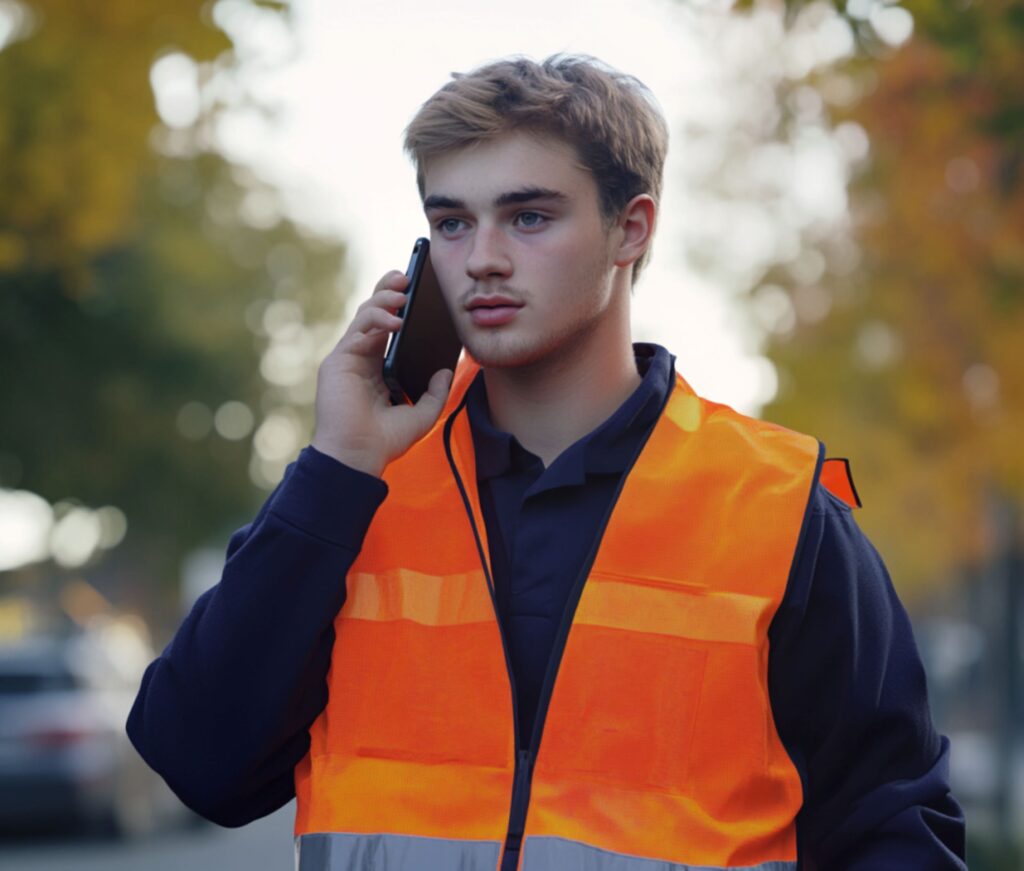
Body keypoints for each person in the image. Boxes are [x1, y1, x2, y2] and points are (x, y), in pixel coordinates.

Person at [128, 54, 966, 870]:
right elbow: (200, 764)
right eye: (451, 222)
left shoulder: (780, 508)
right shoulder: (354, 492)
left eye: (528, 217)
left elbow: (894, 827)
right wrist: (337, 467)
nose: (481, 258)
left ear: (628, 229)